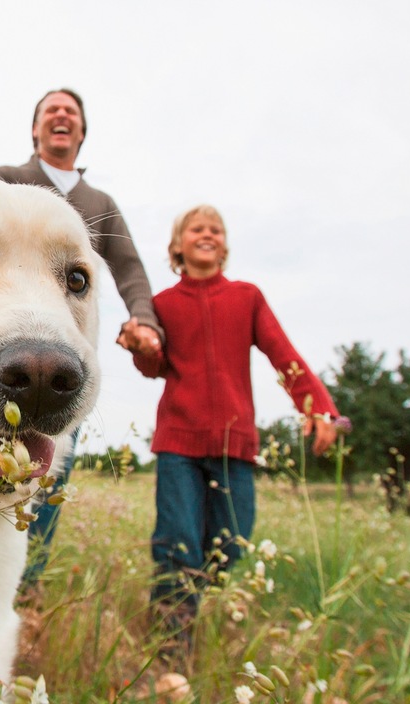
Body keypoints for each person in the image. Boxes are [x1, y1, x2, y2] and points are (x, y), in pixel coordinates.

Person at [133, 204, 338, 665]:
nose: (207, 234)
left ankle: (191, 601)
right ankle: (169, 649)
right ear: (178, 245)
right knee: (178, 540)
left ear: (225, 245)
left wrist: (319, 408)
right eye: (196, 229)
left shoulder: (247, 297)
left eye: (216, 229)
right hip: (178, 444)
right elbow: (154, 367)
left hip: (235, 444)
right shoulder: (163, 304)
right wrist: (140, 346)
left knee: (233, 540)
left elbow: (283, 355)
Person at [0, 88, 165, 591]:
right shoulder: (8, 180)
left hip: (63, 359)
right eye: (51, 111)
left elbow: (129, 268)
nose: (61, 116)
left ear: (82, 133)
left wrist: (144, 320)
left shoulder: (99, 204)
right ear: (36, 131)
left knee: (44, 477)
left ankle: (27, 587)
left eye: (71, 112)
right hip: (0, 349)